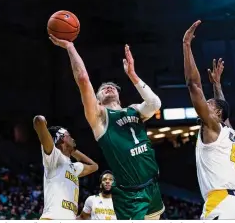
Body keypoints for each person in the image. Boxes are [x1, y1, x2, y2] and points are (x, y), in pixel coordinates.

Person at [49, 35, 165, 220]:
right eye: (103, 88)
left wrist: (133, 76)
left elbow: (155, 103)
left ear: (119, 96)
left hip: (153, 186)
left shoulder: (134, 110)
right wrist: (70, 47)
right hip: (131, 195)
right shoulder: (100, 119)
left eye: (112, 87)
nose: (109, 88)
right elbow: (82, 79)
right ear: (98, 100)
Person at [183, 20, 235, 220]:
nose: (204, 106)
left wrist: (186, 45)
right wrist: (217, 85)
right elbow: (223, 108)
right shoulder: (230, 132)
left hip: (220, 203)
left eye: (209, 104)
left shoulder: (214, 126)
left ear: (217, 114)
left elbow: (193, 84)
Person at [33, 115, 98, 220]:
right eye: (69, 135)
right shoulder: (55, 157)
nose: (73, 138)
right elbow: (38, 121)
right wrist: (42, 120)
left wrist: (72, 150)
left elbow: (94, 166)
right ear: (61, 137)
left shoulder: (74, 167)